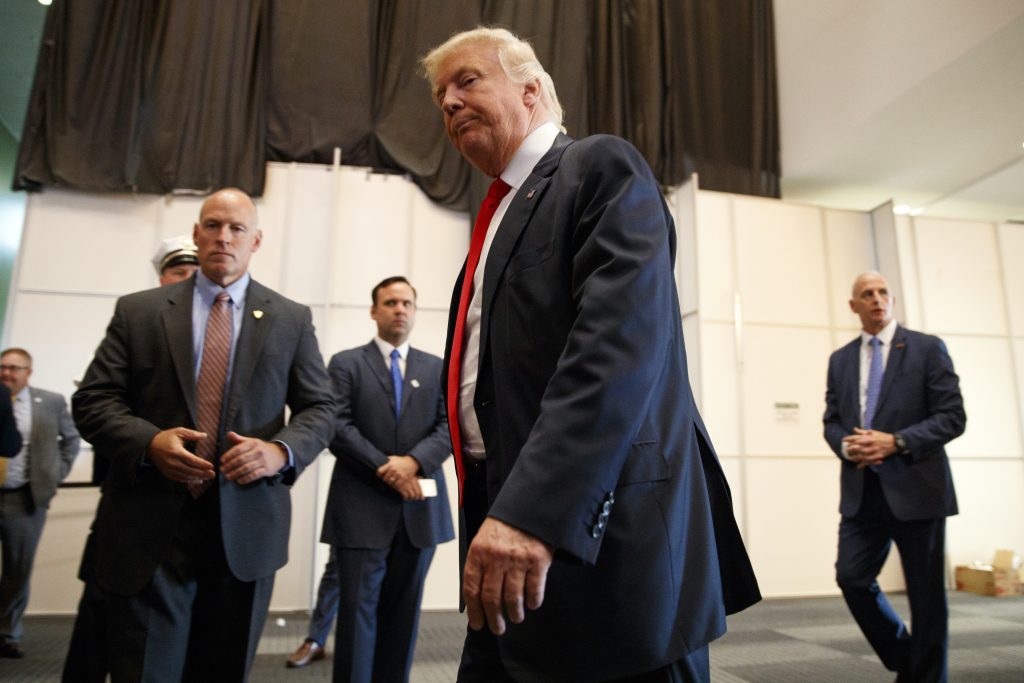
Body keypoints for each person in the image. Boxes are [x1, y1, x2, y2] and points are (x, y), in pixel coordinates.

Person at [420, 27, 760, 682]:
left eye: (467, 80)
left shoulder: (599, 166)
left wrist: (533, 509)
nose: (450, 103)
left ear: (531, 88)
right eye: (441, 97)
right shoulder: (495, 218)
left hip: (600, 540)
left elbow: (616, 346)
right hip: (506, 517)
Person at [64, 187, 334, 681]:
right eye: (212, 226)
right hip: (150, 527)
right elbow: (92, 401)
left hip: (247, 529)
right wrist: (149, 441)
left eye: (236, 229)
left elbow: (321, 407)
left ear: (256, 241)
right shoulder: (139, 311)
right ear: (196, 234)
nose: (223, 238)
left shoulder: (291, 319)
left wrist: (280, 451)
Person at [287, 276, 454, 680]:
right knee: (358, 619)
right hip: (360, 510)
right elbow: (337, 425)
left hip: (419, 512)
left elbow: (450, 426)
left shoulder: (436, 367)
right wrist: (388, 468)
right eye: (391, 302)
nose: (400, 309)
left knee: (404, 616)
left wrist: (412, 463)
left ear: (414, 310)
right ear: (374, 310)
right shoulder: (346, 363)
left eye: (407, 303)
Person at [824, 271, 965, 682]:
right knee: (851, 578)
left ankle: (926, 676)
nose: (876, 299)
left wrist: (896, 441)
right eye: (867, 294)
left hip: (918, 489)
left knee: (926, 597)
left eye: (883, 292)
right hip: (862, 490)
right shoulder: (840, 359)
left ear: (893, 300)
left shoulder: (926, 348)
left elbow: (952, 417)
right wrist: (848, 446)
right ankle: (908, 659)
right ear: (854, 306)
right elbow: (831, 421)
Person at [0, 348, 80, 659]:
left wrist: (54, 474)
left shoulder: (49, 401)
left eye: (14, 368)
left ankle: (8, 634)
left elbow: (71, 439)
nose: (8, 373)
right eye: (3, 367)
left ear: (28, 372)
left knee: (18, 570)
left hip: (25, 498)